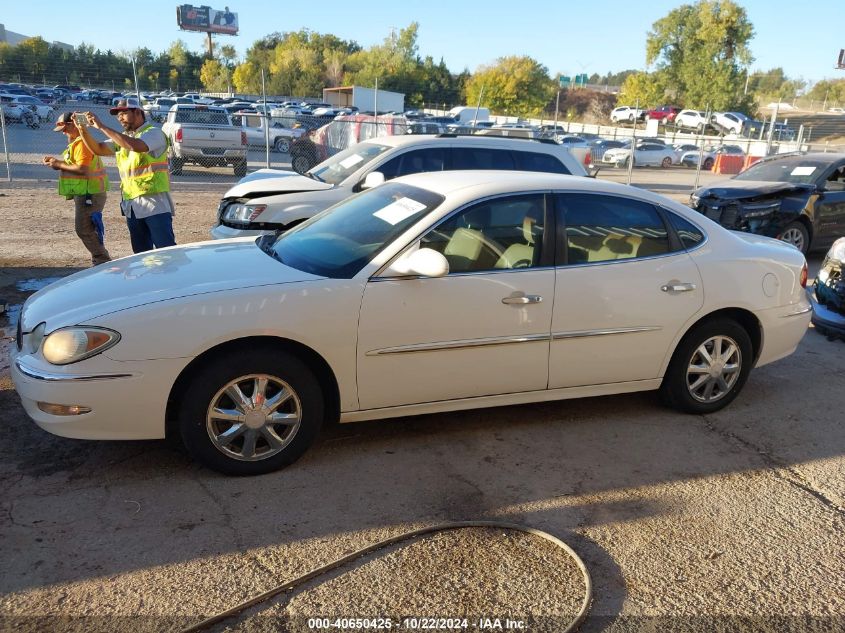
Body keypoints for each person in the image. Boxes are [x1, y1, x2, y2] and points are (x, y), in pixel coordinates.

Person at [78, 97, 176, 254]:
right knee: (140, 255)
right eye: (117, 114)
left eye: (123, 113)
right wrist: (83, 130)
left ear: (138, 112)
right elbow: (97, 149)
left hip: (154, 204)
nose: (119, 117)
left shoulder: (154, 133)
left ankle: (171, 278)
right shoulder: (122, 138)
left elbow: (135, 146)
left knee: (166, 252)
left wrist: (101, 126)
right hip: (132, 206)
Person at [42, 112, 111, 266]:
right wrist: (57, 162)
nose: (64, 133)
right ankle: (100, 260)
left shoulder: (81, 144)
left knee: (84, 229)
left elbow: (82, 169)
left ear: (73, 124)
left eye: (65, 129)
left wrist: (57, 164)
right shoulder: (77, 143)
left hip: (89, 193)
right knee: (87, 229)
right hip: (86, 192)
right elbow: (75, 165)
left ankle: (102, 262)